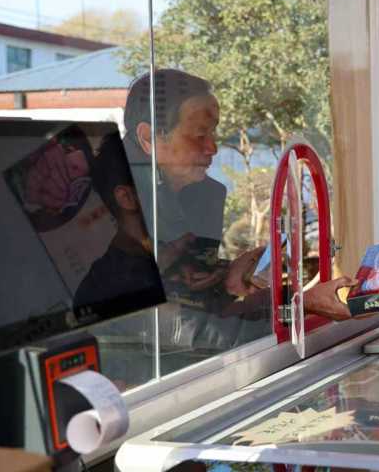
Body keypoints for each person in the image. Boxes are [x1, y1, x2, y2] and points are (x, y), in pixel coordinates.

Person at [122, 68, 352, 353]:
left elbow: (197, 300)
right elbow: (178, 327)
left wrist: (226, 278)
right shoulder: (111, 207)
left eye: (213, 132)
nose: (213, 147)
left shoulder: (199, 194)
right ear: (148, 137)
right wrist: (299, 307)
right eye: (200, 134)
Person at [73, 131, 164, 318]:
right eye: (160, 178)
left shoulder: (166, 250)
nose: (171, 188)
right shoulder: (101, 291)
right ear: (126, 197)